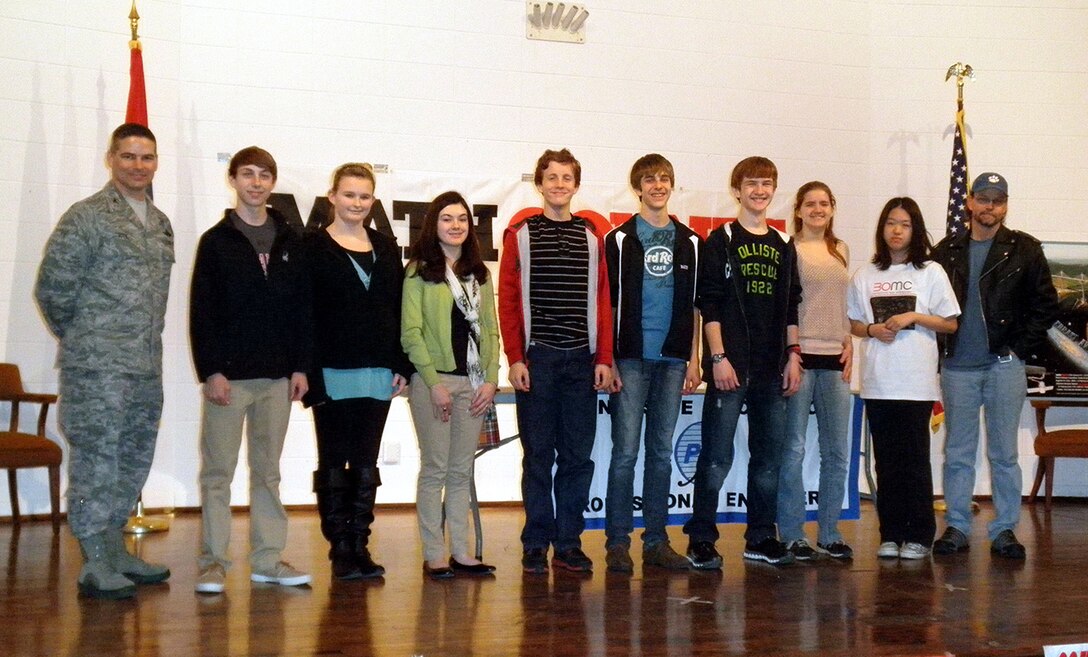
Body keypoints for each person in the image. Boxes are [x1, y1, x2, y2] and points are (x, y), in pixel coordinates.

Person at [34, 122, 174, 599]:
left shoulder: (159, 224)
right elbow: (53, 288)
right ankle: (94, 558)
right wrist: (87, 338)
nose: (138, 166)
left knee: (133, 459)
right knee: (97, 459)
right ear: (111, 158)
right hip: (96, 367)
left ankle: (115, 549)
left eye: (147, 157)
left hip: (144, 366)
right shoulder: (87, 217)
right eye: (129, 156)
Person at [190, 146, 313, 593]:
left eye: (264, 175)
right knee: (218, 473)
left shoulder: (290, 241)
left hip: (278, 379)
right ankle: (213, 563)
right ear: (234, 179)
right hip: (230, 379)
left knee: (268, 473)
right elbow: (202, 312)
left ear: (272, 182)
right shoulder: (216, 241)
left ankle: (267, 560)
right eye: (248, 174)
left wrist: (300, 366)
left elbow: (303, 310)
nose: (256, 183)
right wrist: (211, 372)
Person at [683, 156, 803, 569]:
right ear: (737, 190)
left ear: (774, 190)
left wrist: (793, 356)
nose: (759, 190)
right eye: (751, 183)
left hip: (772, 369)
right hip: (729, 367)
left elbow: (791, 306)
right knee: (715, 457)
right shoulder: (721, 240)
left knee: (768, 459)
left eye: (767, 184)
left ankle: (760, 536)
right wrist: (717, 357)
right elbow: (709, 304)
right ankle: (701, 538)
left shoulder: (784, 245)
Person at [498, 148, 613, 574]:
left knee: (577, 457)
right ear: (539, 183)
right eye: (552, 177)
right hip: (539, 360)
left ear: (576, 185)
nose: (559, 184)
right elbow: (508, 301)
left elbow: (604, 301)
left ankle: (568, 542)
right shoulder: (521, 233)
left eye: (567, 178)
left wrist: (603, 358)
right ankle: (535, 542)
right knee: (538, 456)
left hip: (581, 362)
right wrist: (515, 357)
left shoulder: (591, 236)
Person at [931, 172, 1058, 560]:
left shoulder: (1025, 250)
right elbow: (929, 305)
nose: (990, 207)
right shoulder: (945, 250)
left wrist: (1017, 350)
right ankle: (957, 526)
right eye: (983, 199)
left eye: (998, 200)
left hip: (1004, 366)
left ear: (1005, 204)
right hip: (957, 368)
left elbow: (1046, 307)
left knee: (1004, 454)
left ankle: (1004, 530)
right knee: (958, 452)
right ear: (969, 202)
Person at [303, 163, 412, 580]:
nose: (357, 203)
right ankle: (339, 548)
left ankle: (360, 545)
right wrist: (309, 372)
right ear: (332, 197)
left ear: (373, 200)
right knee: (334, 459)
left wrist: (400, 365)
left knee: (366, 461)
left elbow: (399, 310)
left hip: (378, 373)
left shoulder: (386, 247)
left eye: (365, 196)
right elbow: (305, 314)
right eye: (349, 195)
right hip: (331, 371)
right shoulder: (312, 245)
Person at [602, 154, 702, 573]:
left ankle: (657, 542)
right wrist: (606, 358)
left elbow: (697, 306)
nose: (658, 185)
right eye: (649, 179)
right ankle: (617, 543)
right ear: (637, 188)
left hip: (674, 359)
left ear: (672, 186)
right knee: (625, 453)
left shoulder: (691, 241)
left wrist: (694, 357)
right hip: (630, 358)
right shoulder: (619, 239)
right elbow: (606, 306)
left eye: (664, 179)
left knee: (661, 453)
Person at [846, 197, 960, 560]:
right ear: (882, 228)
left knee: (913, 460)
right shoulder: (866, 275)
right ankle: (890, 533)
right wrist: (871, 329)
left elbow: (950, 322)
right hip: (879, 381)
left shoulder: (930, 272)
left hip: (915, 383)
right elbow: (853, 324)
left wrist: (915, 317)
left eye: (905, 224)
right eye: (891, 223)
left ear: (915, 230)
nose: (896, 230)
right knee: (886, 462)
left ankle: (920, 535)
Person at [402, 191, 500, 579]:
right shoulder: (419, 271)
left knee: (461, 472)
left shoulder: (480, 273)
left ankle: (462, 552)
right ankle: (434, 553)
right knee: (435, 469)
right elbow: (411, 333)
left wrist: (491, 380)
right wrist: (432, 383)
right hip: (435, 382)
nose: (456, 225)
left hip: (474, 384)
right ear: (433, 225)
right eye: (447, 218)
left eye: (462, 219)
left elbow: (491, 331)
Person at [776, 181, 855, 561]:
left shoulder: (840, 249)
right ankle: (792, 533)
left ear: (832, 208)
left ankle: (830, 531)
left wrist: (849, 343)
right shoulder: (788, 249)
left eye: (825, 203)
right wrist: (791, 352)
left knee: (837, 452)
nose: (818, 210)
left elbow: (843, 306)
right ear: (799, 209)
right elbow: (788, 305)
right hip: (801, 359)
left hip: (835, 360)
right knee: (793, 449)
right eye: (811, 204)